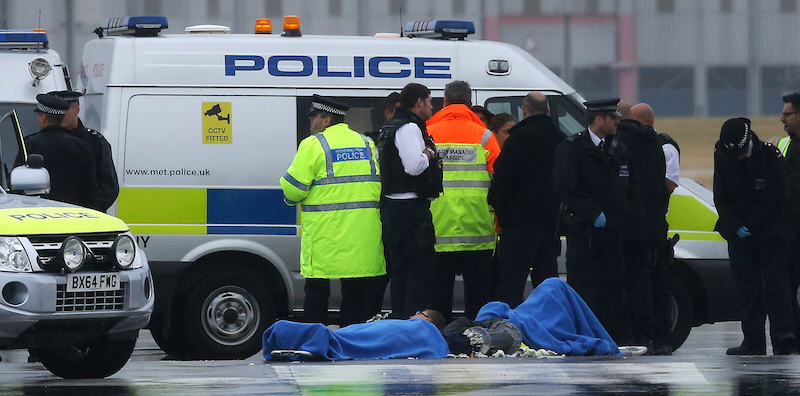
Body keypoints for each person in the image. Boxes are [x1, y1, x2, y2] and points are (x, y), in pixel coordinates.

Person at [262, 278, 621, 361]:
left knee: (357, 338)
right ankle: (311, 337)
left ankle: (310, 336)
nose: (414, 313)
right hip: (495, 324)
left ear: (427, 319)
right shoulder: (428, 327)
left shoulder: (426, 328)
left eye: (419, 313)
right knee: (358, 336)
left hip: (439, 334)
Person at [280, 95, 386, 326]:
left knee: (317, 293)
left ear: (326, 120)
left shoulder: (314, 144)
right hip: (361, 238)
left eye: (313, 117)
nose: (311, 122)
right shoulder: (366, 143)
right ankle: (350, 340)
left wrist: (292, 197)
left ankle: (315, 341)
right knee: (355, 296)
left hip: (325, 236)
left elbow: (292, 189)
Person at [713, 117, 797, 355]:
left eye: (741, 152)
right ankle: (752, 339)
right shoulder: (723, 154)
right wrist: (735, 225)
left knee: (776, 286)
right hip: (739, 235)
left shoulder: (771, 156)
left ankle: (783, 337)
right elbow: (721, 196)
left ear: (750, 139)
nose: (738, 157)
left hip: (770, 231)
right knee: (746, 289)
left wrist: (752, 224)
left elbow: (777, 196)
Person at [553, 98, 632, 345]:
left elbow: (626, 187)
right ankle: (586, 338)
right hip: (584, 233)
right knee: (584, 288)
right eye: (613, 117)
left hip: (612, 232)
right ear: (599, 120)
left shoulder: (619, 148)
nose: (617, 121)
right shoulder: (573, 148)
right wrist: (592, 212)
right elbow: (565, 187)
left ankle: (615, 339)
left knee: (614, 287)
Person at [426, 80, 501, 322]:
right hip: (477, 230)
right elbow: (499, 182)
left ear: (445, 102)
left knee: (437, 304)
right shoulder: (485, 136)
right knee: (478, 304)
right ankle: (476, 340)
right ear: (469, 103)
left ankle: (437, 340)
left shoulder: (427, 132)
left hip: (437, 229)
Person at [489, 92, 565, 308]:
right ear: (547, 111)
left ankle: (509, 326)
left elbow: (501, 181)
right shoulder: (560, 139)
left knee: (510, 287)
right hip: (549, 226)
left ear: (524, 110)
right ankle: (549, 324)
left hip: (518, 227)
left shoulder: (518, 139)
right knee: (547, 287)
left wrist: (504, 216)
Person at [376, 83, 442, 319]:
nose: (432, 106)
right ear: (419, 102)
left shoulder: (390, 126)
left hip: (393, 208)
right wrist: (429, 152)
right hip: (411, 210)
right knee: (420, 272)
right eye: (430, 101)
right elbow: (414, 166)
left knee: (401, 272)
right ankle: (414, 323)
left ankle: (401, 320)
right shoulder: (409, 127)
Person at [615, 101, 668, 354]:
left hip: (628, 226)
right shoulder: (655, 142)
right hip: (654, 225)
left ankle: (633, 334)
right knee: (653, 282)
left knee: (627, 282)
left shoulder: (618, 142)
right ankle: (657, 337)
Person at [632, 102, 679, 355]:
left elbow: (670, 183)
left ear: (647, 122)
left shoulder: (664, 146)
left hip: (655, 225)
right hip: (643, 224)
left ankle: (662, 337)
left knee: (659, 284)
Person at [19, 94, 99, 210]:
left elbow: (18, 184)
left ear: (43, 118)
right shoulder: (82, 146)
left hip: (36, 214)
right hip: (73, 215)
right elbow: (91, 191)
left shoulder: (30, 144)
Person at [49, 90, 119, 212]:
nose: (60, 115)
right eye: (56, 111)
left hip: (84, 216)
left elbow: (108, 187)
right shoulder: (45, 141)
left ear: (76, 110)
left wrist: (89, 211)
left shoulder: (95, 142)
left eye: (64, 111)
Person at [776, 92, 800, 346]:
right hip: (790, 231)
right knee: (787, 286)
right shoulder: (785, 145)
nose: (782, 118)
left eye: (787, 114)